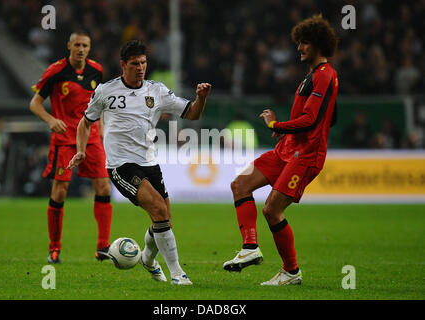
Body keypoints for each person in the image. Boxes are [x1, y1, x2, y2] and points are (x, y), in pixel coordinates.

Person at [67, 40, 212, 285]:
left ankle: (147, 258)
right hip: (120, 165)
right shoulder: (105, 91)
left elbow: (193, 113)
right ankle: (177, 273)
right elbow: (85, 122)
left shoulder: (157, 91)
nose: (140, 68)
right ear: (123, 65)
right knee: (157, 208)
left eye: (143, 63)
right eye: (135, 64)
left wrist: (202, 98)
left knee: (164, 217)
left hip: (149, 162)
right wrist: (80, 150)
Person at [223, 15, 338, 286]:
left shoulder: (326, 75)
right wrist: (285, 130)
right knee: (240, 184)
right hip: (285, 149)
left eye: (305, 43)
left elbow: (311, 119)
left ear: (319, 44)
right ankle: (250, 248)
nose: (299, 48)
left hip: (306, 154)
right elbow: (326, 117)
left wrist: (277, 124)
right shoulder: (311, 77)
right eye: (298, 43)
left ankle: (291, 272)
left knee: (272, 210)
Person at [29, 31, 113, 264]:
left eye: (85, 45)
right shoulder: (56, 70)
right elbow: (34, 104)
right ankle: (54, 248)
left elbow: (101, 102)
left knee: (104, 187)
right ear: (69, 46)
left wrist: (103, 128)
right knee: (60, 191)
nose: (81, 49)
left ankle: (103, 247)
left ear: (90, 47)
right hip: (65, 138)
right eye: (77, 44)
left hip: (92, 136)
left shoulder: (97, 70)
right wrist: (50, 120)